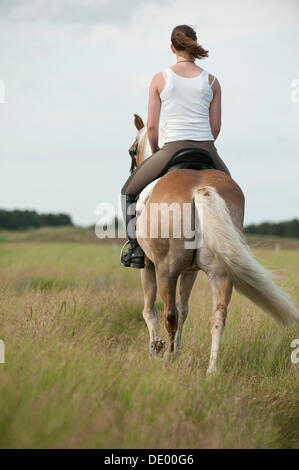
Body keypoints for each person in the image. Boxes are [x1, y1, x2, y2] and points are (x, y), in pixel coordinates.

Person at [120, 24, 231, 269]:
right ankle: (234, 240)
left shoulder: (160, 78)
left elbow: (150, 126)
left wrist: (158, 152)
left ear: (172, 48)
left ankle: (135, 249)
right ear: (194, 45)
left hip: (172, 148)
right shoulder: (212, 81)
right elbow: (216, 127)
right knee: (231, 190)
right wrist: (205, 146)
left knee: (128, 191)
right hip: (207, 149)